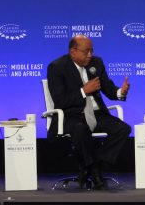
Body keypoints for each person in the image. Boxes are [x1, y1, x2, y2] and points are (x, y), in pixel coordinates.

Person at [46, 35, 131, 190]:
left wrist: (120, 92)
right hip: (71, 115)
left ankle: (94, 164)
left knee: (123, 129)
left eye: (91, 50)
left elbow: (108, 88)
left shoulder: (96, 63)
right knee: (80, 129)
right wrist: (83, 91)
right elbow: (60, 101)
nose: (90, 55)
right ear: (73, 51)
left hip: (96, 114)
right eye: (86, 51)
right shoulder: (57, 67)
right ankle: (94, 171)